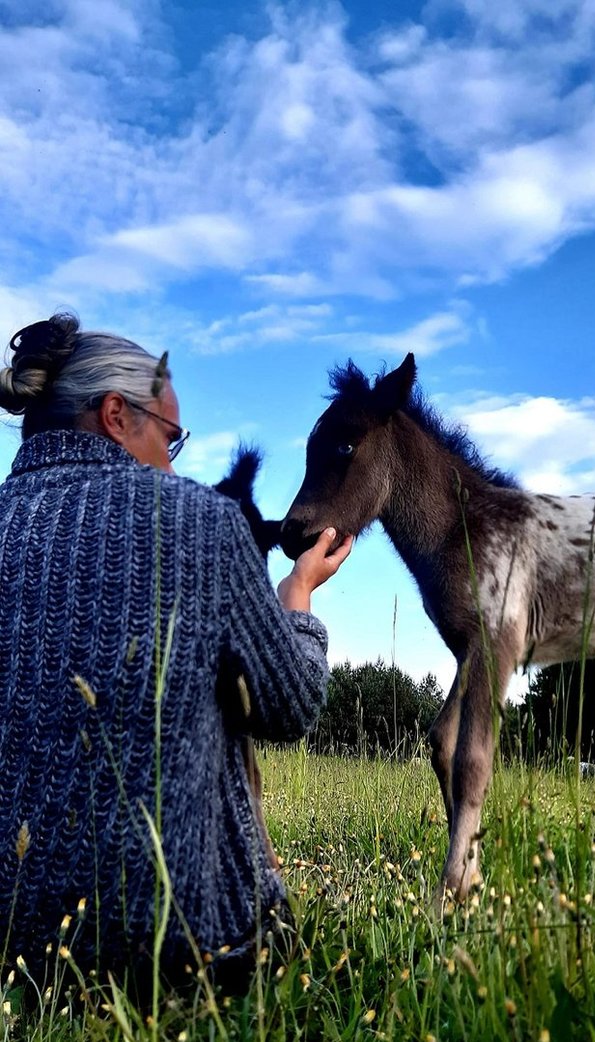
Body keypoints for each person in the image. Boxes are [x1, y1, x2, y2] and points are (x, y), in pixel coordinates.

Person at [0, 313, 352, 993]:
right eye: (171, 436)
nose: (173, 459)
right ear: (114, 416)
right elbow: (289, 707)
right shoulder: (201, 522)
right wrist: (297, 596)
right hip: (184, 958)